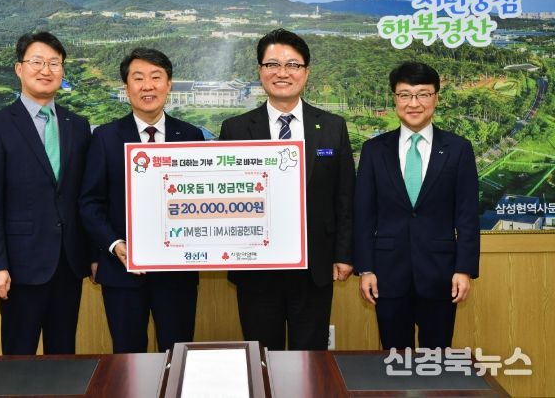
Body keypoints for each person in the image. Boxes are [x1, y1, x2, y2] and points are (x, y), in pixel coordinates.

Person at [219, 29, 356, 350]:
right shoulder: (235, 129)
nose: (282, 73)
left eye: (292, 65)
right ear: (260, 71)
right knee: (261, 355)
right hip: (256, 267)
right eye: (272, 65)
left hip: (315, 265)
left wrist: (344, 254)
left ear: (306, 72)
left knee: (309, 358)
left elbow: (345, 196)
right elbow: (225, 198)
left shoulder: (332, 127)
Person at [79, 48, 204, 353]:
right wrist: (113, 245)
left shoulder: (191, 136)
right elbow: (90, 203)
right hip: (122, 271)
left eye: (156, 77)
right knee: (128, 358)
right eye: (138, 78)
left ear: (169, 84)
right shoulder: (105, 137)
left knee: (178, 355)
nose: (147, 86)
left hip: (177, 275)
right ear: (127, 87)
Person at [0, 31, 91, 354]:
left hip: (68, 265)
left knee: (63, 357)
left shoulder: (78, 125)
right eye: (37, 62)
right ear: (19, 69)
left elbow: (84, 197)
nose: (46, 70)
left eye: (54, 63)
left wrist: (93, 256)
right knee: (19, 360)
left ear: (62, 70)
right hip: (19, 268)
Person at [354, 61, 480, 349]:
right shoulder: (374, 150)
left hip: (441, 274)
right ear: (394, 99)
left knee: (437, 359)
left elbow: (467, 216)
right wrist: (366, 269)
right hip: (387, 274)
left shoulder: (458, 149)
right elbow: (364, 215)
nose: (414, 103)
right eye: (405, 95)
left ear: (436, 98)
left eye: (423, 94)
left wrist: (464, 269)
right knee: (394, 358)